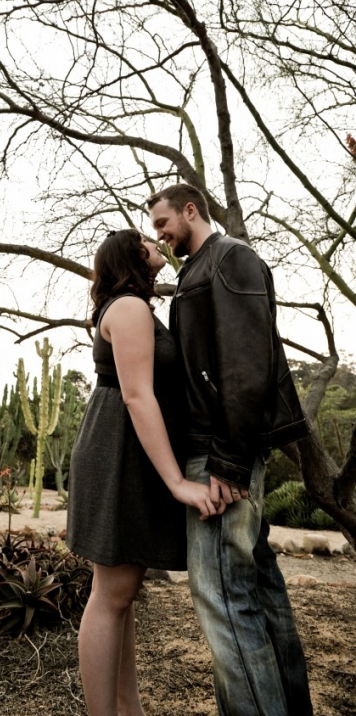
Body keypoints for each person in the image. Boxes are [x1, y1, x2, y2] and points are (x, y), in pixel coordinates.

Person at [148, 182, 313, 716]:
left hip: (221, 454)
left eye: (162, 223)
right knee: (257, 592)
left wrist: (229, 461)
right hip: (221, 448)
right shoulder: (199, 269)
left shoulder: (231, 259)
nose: (160, 235)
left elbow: (246, 369)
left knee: (222, 599)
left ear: (190, 210)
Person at [66, 228, 219, 716]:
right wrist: (177, 481)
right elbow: (137, 395)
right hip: (118, 454)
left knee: (119, 592)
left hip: (122, 451)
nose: (159, 243)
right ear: (134, 255)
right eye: (148, 240)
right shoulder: (130, 308)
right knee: (112, 594)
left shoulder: (132, 305)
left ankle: (128, 709)